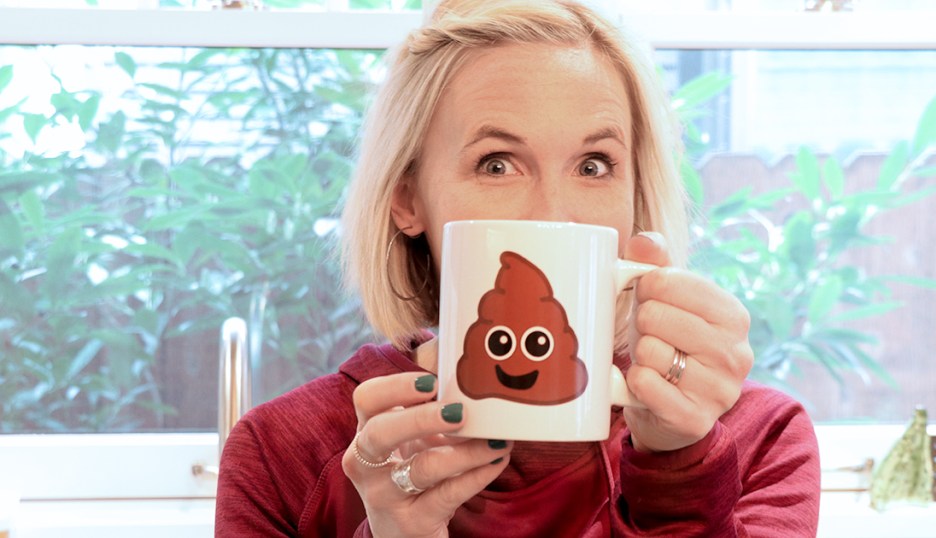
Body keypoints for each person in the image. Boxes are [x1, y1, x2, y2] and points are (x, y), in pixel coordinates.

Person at [215, 0, 821, 536]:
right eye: (498, 163)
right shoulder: (282, 457)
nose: (555, 217)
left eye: (593, 165)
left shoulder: (758, 441)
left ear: (635, 196)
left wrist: (680, 469)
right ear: (408, 200)